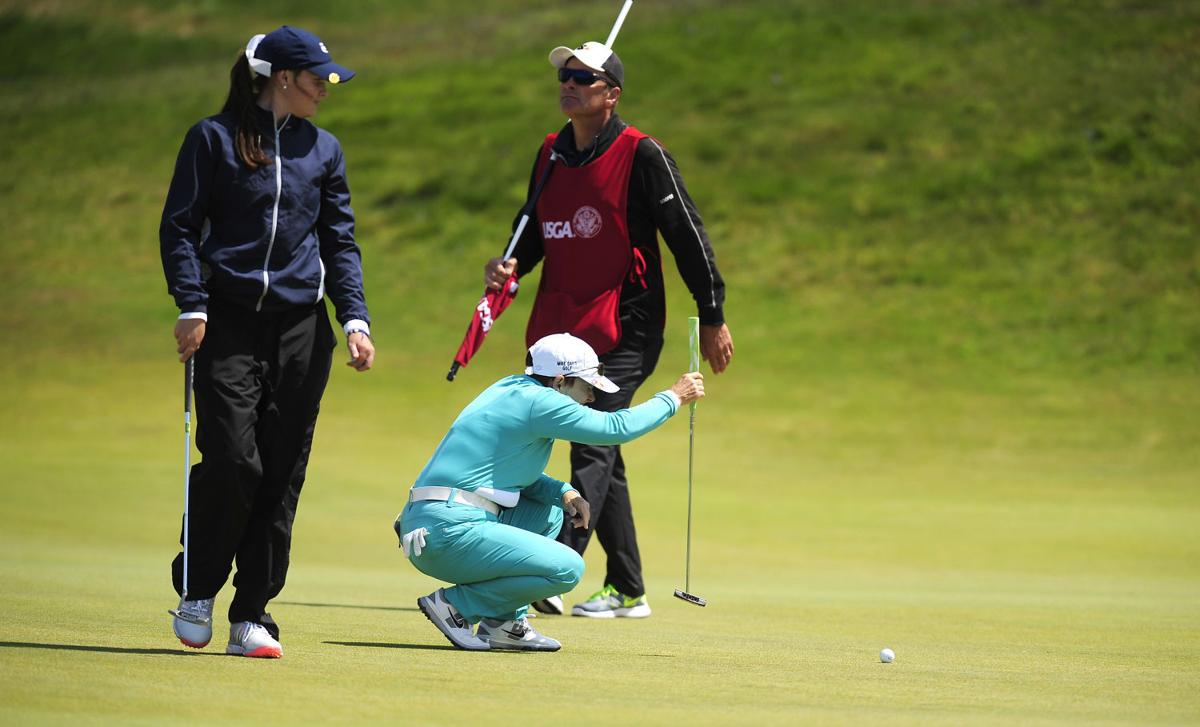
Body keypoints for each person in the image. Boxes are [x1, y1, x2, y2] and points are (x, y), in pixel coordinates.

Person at [483, 41, 734, 619]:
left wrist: (713, 312)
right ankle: (627, 587)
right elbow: (534, 230)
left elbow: (687, 235)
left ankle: (550, 567)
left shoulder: (643, 154)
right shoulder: (550, 153)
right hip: (565, 328)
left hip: (629, 325)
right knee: (603, 453)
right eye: (564, 76)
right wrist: (509, 263)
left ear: (611, 94)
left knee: (591, 438)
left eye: (583, 78)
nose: (568, 84)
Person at [159, 26, 375, 659]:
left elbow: (339, 241)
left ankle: (252, 612)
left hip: (302, 331)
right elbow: (179, 228)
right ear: (282, 78)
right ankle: (197, 587)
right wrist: (191, 303)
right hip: (226, 322)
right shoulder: (213, 138)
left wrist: (355, 319)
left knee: (281, 472)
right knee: (233, 459)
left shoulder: (324, 148)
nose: (326, 89)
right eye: (318, 79)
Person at [399, 333, 704, 651]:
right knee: (568, 569)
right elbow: (616, 428)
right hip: (448, 531)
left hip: (432, 522)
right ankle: (456, 606)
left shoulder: (511, 388)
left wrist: (564, 491)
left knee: (548, 514)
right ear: (560, 381)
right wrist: (673, 397)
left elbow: (510, 472)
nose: (589, 399)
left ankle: (504, 625)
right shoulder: (543, 403)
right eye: (586, 388)